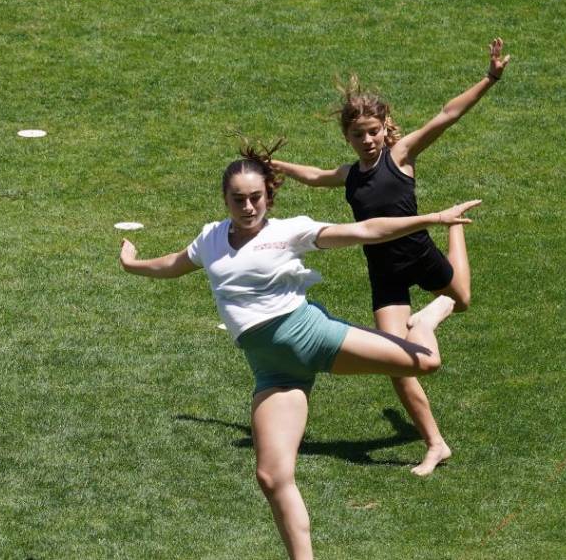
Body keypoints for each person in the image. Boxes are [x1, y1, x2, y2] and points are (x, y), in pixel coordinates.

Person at [119, 141, 478, 560]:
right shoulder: (211, 238)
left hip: (313, 336)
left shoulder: (288, 232)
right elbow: (174, 264)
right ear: (225, 199)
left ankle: (424, 322)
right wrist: (134, 265)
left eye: (256, 198)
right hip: (273, 370)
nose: (249, 207)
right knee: (272, 476)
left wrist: (433, 219)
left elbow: (365, 231)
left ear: (268, 197)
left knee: (428, 362)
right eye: (239, 200)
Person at [270, 39, 509, 475]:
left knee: (463, 298)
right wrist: (277, 165)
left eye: (373, 132)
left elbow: (447, 115)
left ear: (386, 128)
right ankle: (435, 444)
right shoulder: (348, 176)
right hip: (384, 272)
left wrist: (490, 78)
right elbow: (315, 175)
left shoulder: (401, 156)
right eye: (357, 135)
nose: (367, 140)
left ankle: (452, 231)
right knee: (397, 362)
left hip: (419, 253)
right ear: (347, 136)